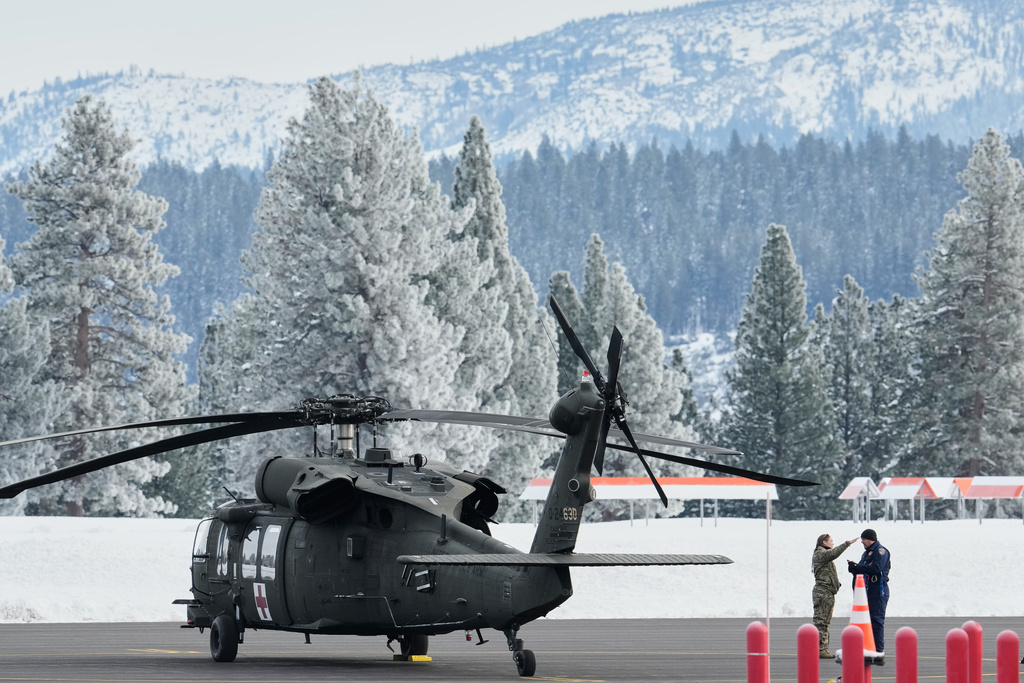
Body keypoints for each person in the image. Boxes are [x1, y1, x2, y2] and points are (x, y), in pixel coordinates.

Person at [811, 533, 858, 658]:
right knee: (822, 622)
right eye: (831, 541)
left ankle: (821, 648)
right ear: (824, 542)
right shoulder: (820, 554)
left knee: (823, 621)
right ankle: (820, 649)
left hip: (826, 592)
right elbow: (833, 553)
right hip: (823, 592)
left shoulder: (821, 555)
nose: (832, 543)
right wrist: (847, 543)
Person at [848, 528, 891, 654]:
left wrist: (858, 566)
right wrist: (854, 568)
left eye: (864, 539)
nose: (862, 542)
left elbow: (877, 568)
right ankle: (868, 647)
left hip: (878, 591)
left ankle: (878, 650)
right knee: (866, 620)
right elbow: (864, 568)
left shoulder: (880, 551)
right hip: (868, 590)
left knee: (876, 620)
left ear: (870, 539)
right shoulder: (867, 553)